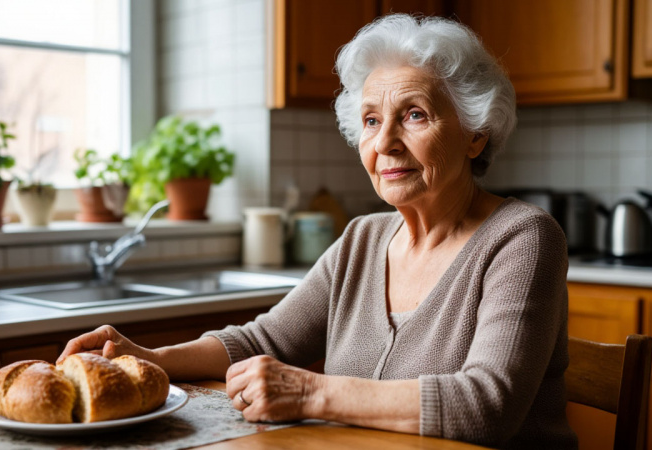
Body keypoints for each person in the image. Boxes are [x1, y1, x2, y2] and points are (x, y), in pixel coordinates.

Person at [58, 14, 576, 449]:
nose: (386, 143)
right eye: (371, 121)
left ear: (474, 134)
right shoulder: (363, 239)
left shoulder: (524, 239)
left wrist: (310, 393)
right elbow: (263, 340)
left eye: (414, 115)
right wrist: (150, 360)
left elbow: (488, 405)